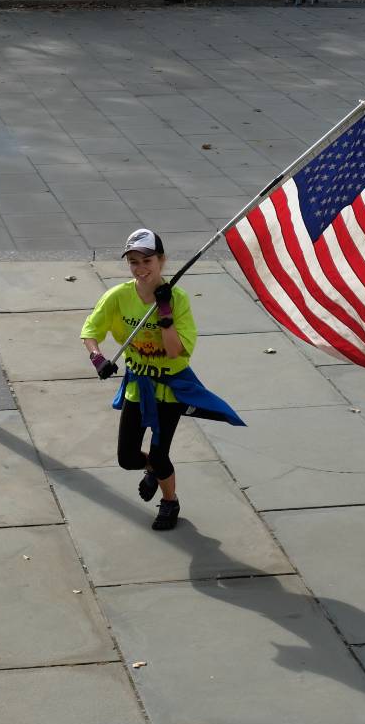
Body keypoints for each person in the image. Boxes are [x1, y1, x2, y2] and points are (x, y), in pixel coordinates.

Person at [80, 228, 244, 532]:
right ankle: (153, 471)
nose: (141, 269)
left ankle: (169, 501)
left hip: (169, 389)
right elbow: (90, 331)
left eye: (147, 260)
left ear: (162, 260)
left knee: (159, 454)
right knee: (128, 457)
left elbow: (173, 352)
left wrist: (165, 313)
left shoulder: (177, 300)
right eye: (133, 262)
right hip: (137, 387)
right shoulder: (118, 296)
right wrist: (97, 358)